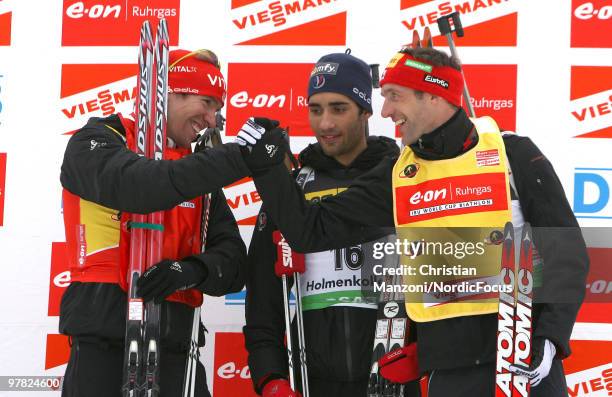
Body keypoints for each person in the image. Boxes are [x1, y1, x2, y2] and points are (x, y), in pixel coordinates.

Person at [235, 47, 589, 397]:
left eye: (395, 97)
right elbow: (309, 230)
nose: (386, 110)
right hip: (450, 370)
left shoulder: (512, 155)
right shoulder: (398, 174)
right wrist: (268, 166)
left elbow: (567, 253)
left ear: (433, 96)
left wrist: (551, 338)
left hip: (522, 359)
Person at [59, 49, 262, 397]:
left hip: (175, 349)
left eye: (218, 109)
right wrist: (232, 158)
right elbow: (141, 186)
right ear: (169, 91)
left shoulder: (196, 170)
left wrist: (190, 271)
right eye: (207, 102)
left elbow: (233, 261)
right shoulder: (99, 139)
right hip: (102, 342)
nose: (212, 120)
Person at [241, 52, 420, 397]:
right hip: (312, 380)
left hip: (392, 373)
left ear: (366, 111)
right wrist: (270, 378)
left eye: (339, 108)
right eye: (316, 109)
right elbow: (263, 301)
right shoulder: (293, 188)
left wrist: (428, 348)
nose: (325, 124)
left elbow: (449, 272)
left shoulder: (404, 178)